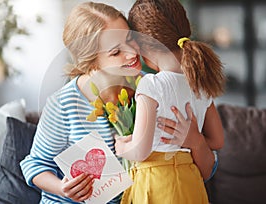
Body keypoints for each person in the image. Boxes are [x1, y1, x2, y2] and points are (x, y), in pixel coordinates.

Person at [20, 2, 143, 203]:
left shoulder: (150, 87)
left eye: (130, 39)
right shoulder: (63, 104)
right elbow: (35, 165)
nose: (132, 53)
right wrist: (62, 188)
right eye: (116, 52)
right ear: (90, 61)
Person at [115, 0, 225, 203]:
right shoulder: (201, 83)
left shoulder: (151, 84)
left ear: (144, 44)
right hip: (191, 183)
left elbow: (140, 151)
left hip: (158, 185)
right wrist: (191, 139)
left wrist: (121, 148)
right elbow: (218, 141)